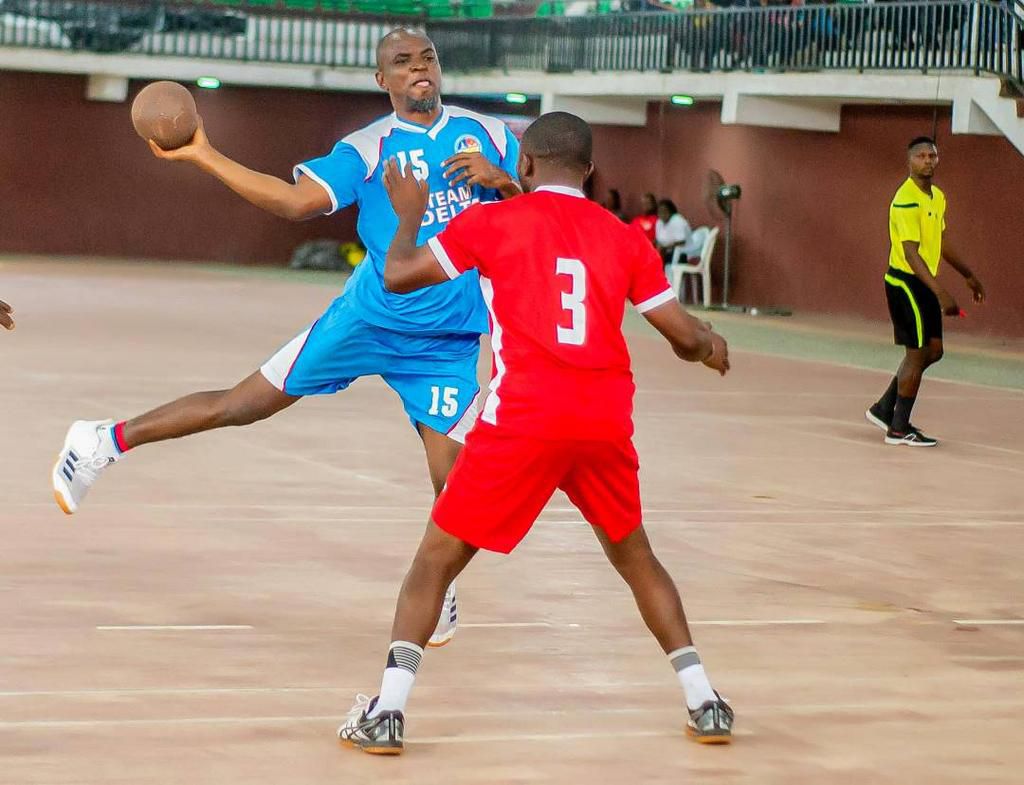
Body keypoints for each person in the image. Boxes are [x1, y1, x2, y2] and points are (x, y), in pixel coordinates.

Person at [50, 28, 522, 647]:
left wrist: (507, 183)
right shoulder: (367, 149)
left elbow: (543, 210)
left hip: (446, 340)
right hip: (369, 319)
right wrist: (204, 154)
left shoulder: (492, 136)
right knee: (241, 405)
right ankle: (101, 440)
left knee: (456, 483)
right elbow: (296, 202)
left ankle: (438, 583)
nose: (420, 70)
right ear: (383, 80)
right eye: (402, 63)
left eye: (428, 57)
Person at [337, 112, 734, 755]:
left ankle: (387, 713)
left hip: (523, 420)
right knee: (636, 558)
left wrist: (408, 211)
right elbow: (685, 338)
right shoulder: (623, 236)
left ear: (523, 166)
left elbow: (399, 275)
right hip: (602, 422)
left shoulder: (490, 222)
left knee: (434, 563)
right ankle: (704, 699)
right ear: (590, 171)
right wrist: (711, 345)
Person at [865, 136, 985, 446]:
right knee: (917, 354)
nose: (928, 161)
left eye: (932, 155)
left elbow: (941, 241)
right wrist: (941, 292)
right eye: (921, 156)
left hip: (924, 283)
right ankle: (898, 428)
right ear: (909, 161)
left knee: (934, 351)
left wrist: (968, 274)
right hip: (906, 282)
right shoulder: (905, 199)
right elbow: (910, 253)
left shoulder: (937, 197)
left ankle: (883, 409)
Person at [654, 198, 695, 263]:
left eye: (665, 211)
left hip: (683, 253)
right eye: (660, 212)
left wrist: (664, 248)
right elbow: (658, 240)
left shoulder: (678, 220)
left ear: (671, 211)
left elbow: (681, 242)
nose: (662, 214)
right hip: (667, 252)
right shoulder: (659, 222)